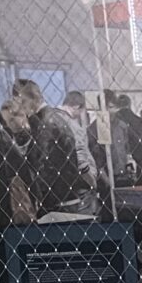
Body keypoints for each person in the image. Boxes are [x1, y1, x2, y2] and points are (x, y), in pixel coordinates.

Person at [10, 79, 95, 218]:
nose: (18, 108)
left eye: (18, 102)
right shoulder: (51, 119)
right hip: (65, 197)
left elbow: (42, 165)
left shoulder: (46, 124)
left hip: (58, 202)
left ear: (28, 99)